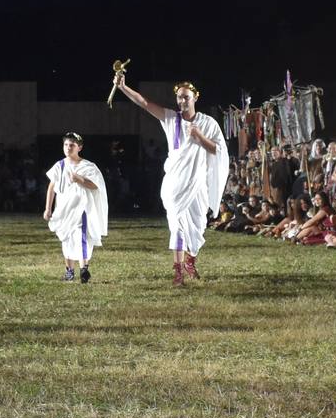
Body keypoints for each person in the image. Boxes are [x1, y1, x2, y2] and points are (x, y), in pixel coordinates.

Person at [115, 79, 228, 285]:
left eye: (186, 97)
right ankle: (178, 271)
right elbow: (144, 103)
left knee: (197, 225)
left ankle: (190, 262)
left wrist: (199, 137)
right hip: (175, 184)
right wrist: (123, 87)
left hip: (197, 185)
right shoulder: (170, 119)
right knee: (176, 226)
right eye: (179, 97)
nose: (182, 100)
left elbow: (218, 151)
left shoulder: (208, 123)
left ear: (195, 97)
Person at [42, 133, 107, 283]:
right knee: (67, 238)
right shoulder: (60, 165)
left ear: (79, 147)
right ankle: (69, 271)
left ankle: (84, 269)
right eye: (66, 145)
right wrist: (48, 208)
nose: (68, 148)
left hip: (81, 209)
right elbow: (51, 187)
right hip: (65, 209)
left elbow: (95, 185)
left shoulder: (88, 166)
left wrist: (80, 179)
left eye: (72, 145)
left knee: (81, 236)